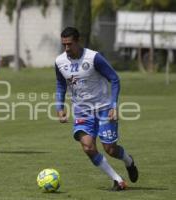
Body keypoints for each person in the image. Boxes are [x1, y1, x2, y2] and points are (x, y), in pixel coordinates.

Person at [55, 27, 138, 191]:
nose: (67, 48)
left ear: (78, 41)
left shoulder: (94, 58)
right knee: (88, 147)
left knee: (110, 149)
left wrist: (114, 105)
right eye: (64, 44)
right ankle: (117, 180)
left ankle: (129, 161)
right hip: (82, 110)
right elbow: (60, 84)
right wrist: (60, 107)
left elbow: (114, 79)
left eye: (70, 44)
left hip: (104, 108)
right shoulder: (59, 61)